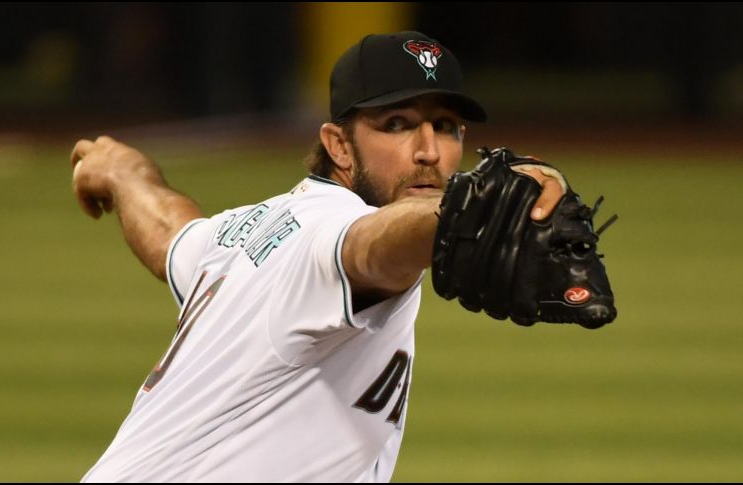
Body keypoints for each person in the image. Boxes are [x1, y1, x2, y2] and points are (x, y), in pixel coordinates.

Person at [71, 31, 565, 482]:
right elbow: (371, 245)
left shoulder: (245, 230)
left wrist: (125, 173)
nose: (428, 151)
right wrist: (467, 209)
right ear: (339, 146)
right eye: (397, 124)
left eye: (446, 126)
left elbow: (171, 235)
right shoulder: (329, 233)